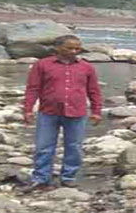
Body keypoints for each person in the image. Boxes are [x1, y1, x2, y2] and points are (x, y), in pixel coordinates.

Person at [22, 35, 102, 192]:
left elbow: (94, 91)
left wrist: (96, 111)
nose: (74, 51)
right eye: (69, 48)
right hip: (48, 112)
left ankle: (68, 177)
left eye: (77, 48)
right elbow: (33, 89)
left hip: (77, 113)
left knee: (74, 147)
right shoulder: (42, 65)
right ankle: (41, 178)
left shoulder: (86, 67)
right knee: (44, 147)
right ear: (57, 48)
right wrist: (28, 109)